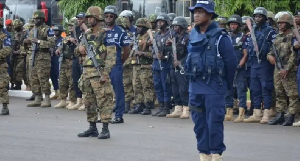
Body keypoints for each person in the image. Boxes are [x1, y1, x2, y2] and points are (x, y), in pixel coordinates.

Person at [186, 1, 237, 160]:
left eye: (201, 12)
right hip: (195, 87)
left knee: (214, 123)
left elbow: (231, 63)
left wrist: (226, 86)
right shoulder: (192, 35)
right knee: (199, 125)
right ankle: (204, 154)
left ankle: (216, 154)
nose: (197, 15)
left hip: (214, 87)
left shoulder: (221, 38)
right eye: (195, 11)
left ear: (210, 15)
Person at [76, 6, 114, 139]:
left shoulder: (106, 34)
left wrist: (105, 73)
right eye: (88, 18)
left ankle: (105, 128)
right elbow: (78, 51)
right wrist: (79, 49)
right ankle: (92, 127)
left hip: (99, 72)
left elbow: (111, 56)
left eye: (91, 18)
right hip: (87, 72)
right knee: (89, 101)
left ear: (97, 18)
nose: (88, 20)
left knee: (104, 100)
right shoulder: (86, 34)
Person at [243, 7, 277, 124]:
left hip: (265, 63)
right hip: (253, 63)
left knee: (266, 88)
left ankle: (267, 112)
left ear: (265, 18)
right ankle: (256, 112)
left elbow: (274, 47)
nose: (257, 18)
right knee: (254, 89)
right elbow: (248, 47)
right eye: (256, 16)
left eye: (260, 16)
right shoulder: (252, 31)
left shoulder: (270, 31)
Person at [267, 12, 299, 126]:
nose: (280, 25)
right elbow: (271, 51)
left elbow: (294, 55)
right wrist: (270, 56)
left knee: (292, 94)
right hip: (278, 69)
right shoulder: (278, 37)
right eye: (279, 23)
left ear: (289, 23)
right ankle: (280, 115)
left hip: (289, 69)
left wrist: (287, 68)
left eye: (283, 23)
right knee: (279, 92)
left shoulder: (293, 37)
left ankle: (291, 115)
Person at [104, 5, 130, 124]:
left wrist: (120, 62)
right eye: (106, 16)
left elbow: (127, 50)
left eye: (111, 16)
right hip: (103, 66)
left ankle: (119, 115)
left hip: (115, 65)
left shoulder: (120, 31)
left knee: (118, 90)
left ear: (114, 17)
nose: (108, 18)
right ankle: (105, 115)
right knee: (104, 91)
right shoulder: (101, 31)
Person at [25, 10, 55, 107]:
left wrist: (38, 41)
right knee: (33, 78)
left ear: (42, 19)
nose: (36, 21)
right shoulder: (32, 30)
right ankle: (37, 98)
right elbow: (29, 44)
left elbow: (52, 43)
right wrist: (26, 43)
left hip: (43, 58)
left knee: (43, 78)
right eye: (34, 19)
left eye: (38, 19)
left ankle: (47, 99)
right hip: (32, 56)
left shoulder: (47, 29)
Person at [224, 15, 248, 123]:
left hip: (240, 68)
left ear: (239, 25)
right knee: (228, 90)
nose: (233, 26)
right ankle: (229, 112)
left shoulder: (243, 37)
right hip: (228, 67)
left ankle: (241, 114)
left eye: (235, 24)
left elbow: (245, 54)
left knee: (241, 90)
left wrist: (240, 65)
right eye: (231, 24)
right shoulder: (226, 36)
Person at [166, 16, 190, 119]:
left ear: (182, 26)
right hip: (173, 65)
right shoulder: (173, 37)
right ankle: (177, 108)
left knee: (183, 88)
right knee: (174, 88)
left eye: (177, 26)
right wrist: (167, 45)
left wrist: (181, 62)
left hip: (182, 66)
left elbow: (190, 53)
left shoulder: (187, 37)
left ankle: (186, 109)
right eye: (174, 26)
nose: (175, 28)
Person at [129, 18, 154, 115]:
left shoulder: (149, 37)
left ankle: (148, 105)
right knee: (136, 85)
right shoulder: (137, 36)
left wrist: (143, 53)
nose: (138, 28)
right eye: (137, 26)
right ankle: (139, 104)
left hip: (145, 65)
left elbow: (153, 53)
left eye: (140, 27)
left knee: (146, 85)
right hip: (136, 64)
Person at [151, 14, 173, 117]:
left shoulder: (170, 34)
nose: (159, 23)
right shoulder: (156, 35)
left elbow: (173, 50)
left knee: (165, 85)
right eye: (158, 21)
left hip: (165, 63)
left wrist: (164, 56)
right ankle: (160, 106)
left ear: (166, 22)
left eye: (162, 21)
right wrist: (156, 54)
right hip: (156, 63)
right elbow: (152, 49)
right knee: (157, 85)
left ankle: (166, 107)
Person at [53, 24, 77, 109]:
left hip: (72, 61)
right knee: (62, 82)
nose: (70, 28)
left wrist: (73, 40)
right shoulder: (66, 37)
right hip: (64, 61)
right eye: (69, 27)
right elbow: (61, 45)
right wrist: (59, 50)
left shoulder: (78, 36)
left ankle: (72, 101)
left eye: (72, 26)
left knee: (71, 83)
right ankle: (63, 100)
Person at [69, 14, 85, 111]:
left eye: (81, 19)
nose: (79, 21)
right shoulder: (75, 30)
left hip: (83, 58)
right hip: (75, 57)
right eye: (78, 19)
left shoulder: (86, 30)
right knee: (76, 79)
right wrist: (70, 39)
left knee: (84, 81)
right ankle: (78, 101)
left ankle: (84, 101)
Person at [0, 17, 12, 115]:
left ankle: (5, 106)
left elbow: (7, 49)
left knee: (2, 86)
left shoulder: (5, 35)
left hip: (1, 65)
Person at [11, 19, 26, 90]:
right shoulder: (15, 33)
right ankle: (14, 84)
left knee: (18, 69)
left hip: (21, 55)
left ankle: (19, 84)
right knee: (13, 70)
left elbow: (25, 45)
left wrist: (18, 51)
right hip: (14, 54)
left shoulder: (24, 34)